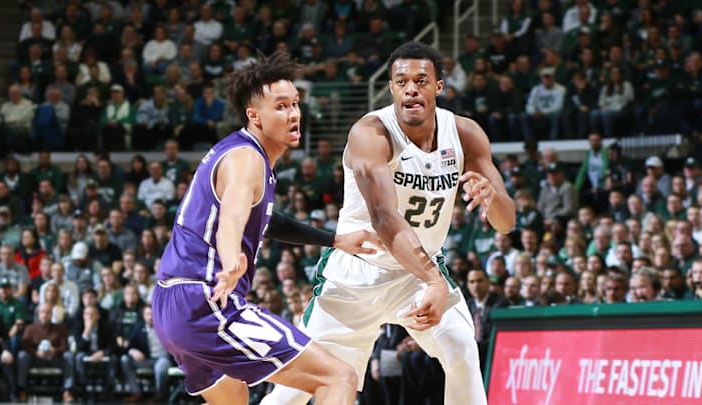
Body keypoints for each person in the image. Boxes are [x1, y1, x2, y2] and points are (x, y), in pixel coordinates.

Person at [262, 42, 514, 405]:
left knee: (462, 350)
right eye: (402, 81)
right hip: (357, 273)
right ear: (392, 88)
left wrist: (494, 198)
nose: (411, 88)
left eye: (421, 80)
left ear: (438, 87)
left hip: (415, 274)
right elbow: (383, 217)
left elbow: (506, 224)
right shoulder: (371, 133)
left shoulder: (466, 134)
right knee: (293, 393)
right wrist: (434, 280)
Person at [151, 51, 380, 405]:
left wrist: (335, 240)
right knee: (338, 377)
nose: (293, 114)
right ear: (254, 116)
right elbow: (232, 217)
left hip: (171, 305)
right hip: (207, 301)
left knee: (234, 397)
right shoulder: (247, 159)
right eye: (282, 106)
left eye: (295, 104)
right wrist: (230, 262)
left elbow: (264, 221)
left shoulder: (236, 153)